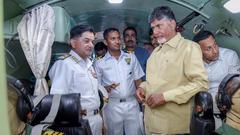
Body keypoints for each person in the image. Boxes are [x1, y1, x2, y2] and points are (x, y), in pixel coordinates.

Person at [136, 6, 208, 134]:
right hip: (151, 124)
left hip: (174, 127)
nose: (155, 32)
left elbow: (200, 84)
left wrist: (165, 97)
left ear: (172, 24)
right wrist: (142, 88)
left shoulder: (189, 48)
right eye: (153, 28)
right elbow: (152, 82)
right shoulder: (155, 54)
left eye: (159, 26)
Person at [48, 24, 102, 135]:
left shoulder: (89, 65)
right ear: (73, 43)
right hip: (78, 122)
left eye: (93, 42)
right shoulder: (64, 64)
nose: (91, 45)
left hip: (96, 119)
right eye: (86, 41)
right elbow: (58, 99)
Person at [95, 28, 145, 135]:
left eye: (118, 38)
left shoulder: (131, 57)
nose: (117, 41)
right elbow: (96, 88)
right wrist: (105, 88)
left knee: (136, 132)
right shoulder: (100, 63)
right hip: (112, 105)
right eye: (113, 38)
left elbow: (138, 80)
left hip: (132, 103)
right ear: (105, 42)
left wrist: (142, 99)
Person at [193, 30, 240, 129]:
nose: (215, 50)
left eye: (215, 45)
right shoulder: (193, 64)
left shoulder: (230, 56)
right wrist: (198, 102)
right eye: (209, 48)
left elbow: (236, 83)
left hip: (227, 99)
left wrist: (223, 99)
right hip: (206, 102)